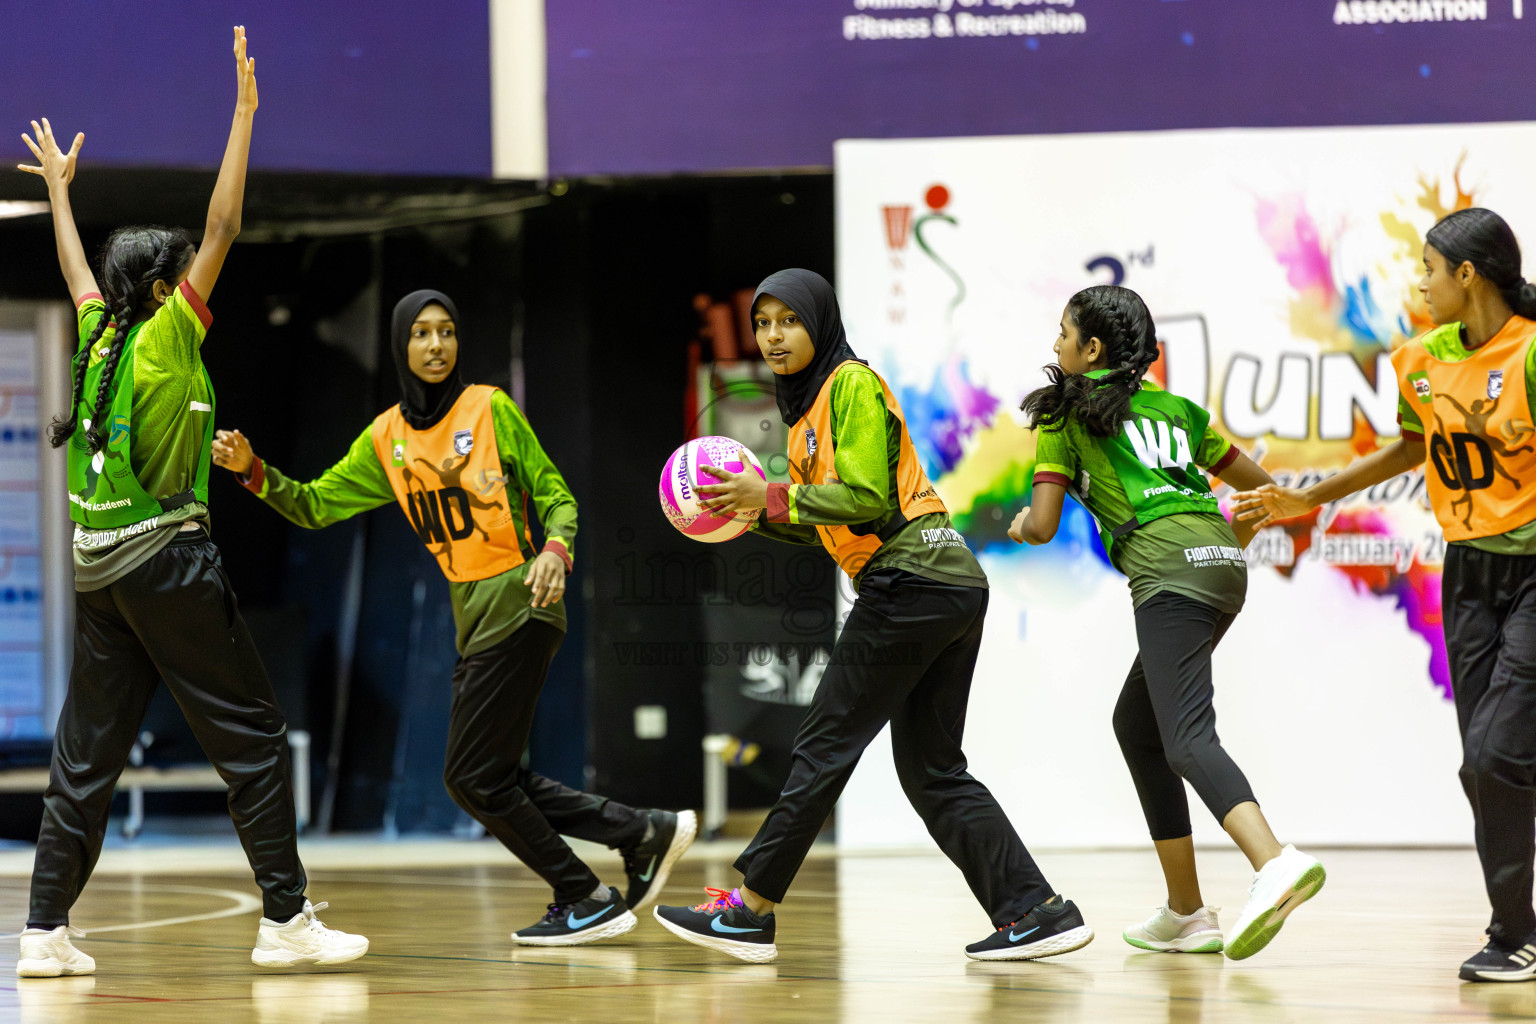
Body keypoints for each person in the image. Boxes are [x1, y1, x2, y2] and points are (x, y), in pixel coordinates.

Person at [15, 27, 367, 977]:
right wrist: (244, 115)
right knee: (254, 740)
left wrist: (59, 195)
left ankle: (43, 934)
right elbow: (223, 226)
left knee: (86, 755)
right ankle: (285, 921)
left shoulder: (100, 336)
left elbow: (76, 274)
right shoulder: (168, 334)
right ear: (167, 289)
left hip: (98, 572)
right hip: (166, 563)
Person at [210, 289, 696, 946]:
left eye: (446, 331)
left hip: (521, 601)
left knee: (469, 778)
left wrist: (555, 551)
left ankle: (583, 893)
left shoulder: (489, 409)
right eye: (421, 333)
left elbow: (557, 497)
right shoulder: (387, 437)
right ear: (400, 345)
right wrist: (253, 472)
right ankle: (641, 832)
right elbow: (316, 505)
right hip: (477, 620)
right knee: (491, 777)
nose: (436, 344)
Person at [651, 268, 1090, 964]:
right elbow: (833, 522)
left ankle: (751, 910)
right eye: (762, 324)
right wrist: (750, 512)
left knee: (824, 744)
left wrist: (769, 495)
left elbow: (864, 497)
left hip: (909, 583)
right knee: (933, 771)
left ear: (820, 323)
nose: (772, 336)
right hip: (944, 584)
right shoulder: (804, 416)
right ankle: (1035, 910)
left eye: (788, 321)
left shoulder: (848, 383)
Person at [1233, 208, 1536, 982]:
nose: (1421, 284)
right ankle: (1516, 929)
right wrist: (1311, 498)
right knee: (1482, 765)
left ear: (1467, 274)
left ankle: (1514, 933)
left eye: (1429, 269)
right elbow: (1411, 446)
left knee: (1498, 754)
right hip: (1468, 576)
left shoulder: (1531, 351)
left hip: (1534, 571)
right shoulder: (1419, 360)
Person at [1010, 284, 1325, 961]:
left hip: (1170, 574)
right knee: (1139, 726)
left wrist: (1022, 524)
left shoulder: (1063, 415)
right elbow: (1260, 486)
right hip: (1224, 565)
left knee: (1186, 739)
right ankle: (1186, 912)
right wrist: (1235, 523)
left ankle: (1274, 863)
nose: (1056, 344)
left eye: (1063, 333)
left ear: (1092, 348)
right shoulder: (1179, 410)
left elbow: (1043, 524)